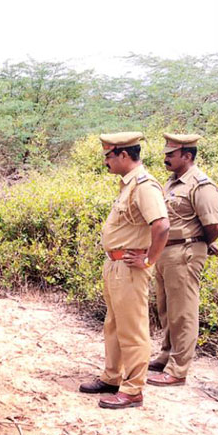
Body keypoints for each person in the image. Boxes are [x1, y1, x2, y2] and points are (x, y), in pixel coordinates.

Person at [79, 132, 170, 409]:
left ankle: (132, 390)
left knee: (132, 330)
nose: (105, 161)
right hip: (116, 265)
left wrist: (148, 260)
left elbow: (162, 225)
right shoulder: (128, 185)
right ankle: (112, 377)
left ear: (123, 155)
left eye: (108, 155)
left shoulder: (143, 185)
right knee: (114, 325)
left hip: (130, 268)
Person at [147, 133, 218, 386]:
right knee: (166, 308)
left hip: (185, 253)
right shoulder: (172, 182)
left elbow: (214, 225)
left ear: (187, 156)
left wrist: (200, 242)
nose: (166, 158)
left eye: (171, 154)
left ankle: (178, 370)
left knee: (184, 312)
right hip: (166, 251)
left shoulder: (201, 185)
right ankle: (166, 355)